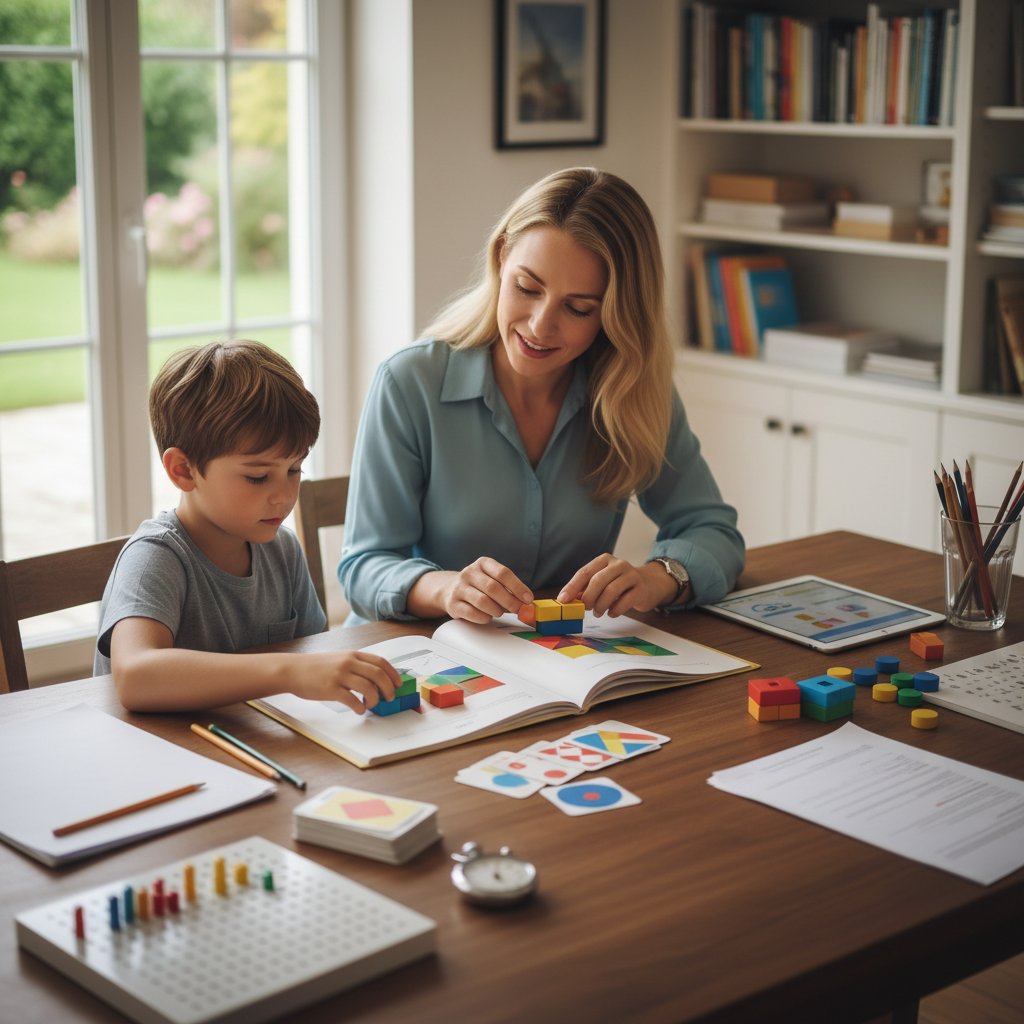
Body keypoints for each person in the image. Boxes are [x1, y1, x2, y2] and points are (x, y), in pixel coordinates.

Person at [339, 167, 744, 625]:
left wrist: (660, 577)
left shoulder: (632, 391)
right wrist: (446, 588)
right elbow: (363, 567)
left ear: (615, 314)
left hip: (561, 660)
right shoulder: (409, 381)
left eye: (577, 308)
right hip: (422, 655)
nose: (539, 326)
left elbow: (715, 533)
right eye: (527, 288)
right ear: (500, 259)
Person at [94, 340, 400, 713]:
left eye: (294, 470)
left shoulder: (282, 550)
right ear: (183, 470)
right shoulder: (155, 559)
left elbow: (315, 656)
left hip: (256, 744)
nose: (284, 496)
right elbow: (136, 675)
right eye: (257, 477)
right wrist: (287, 672)